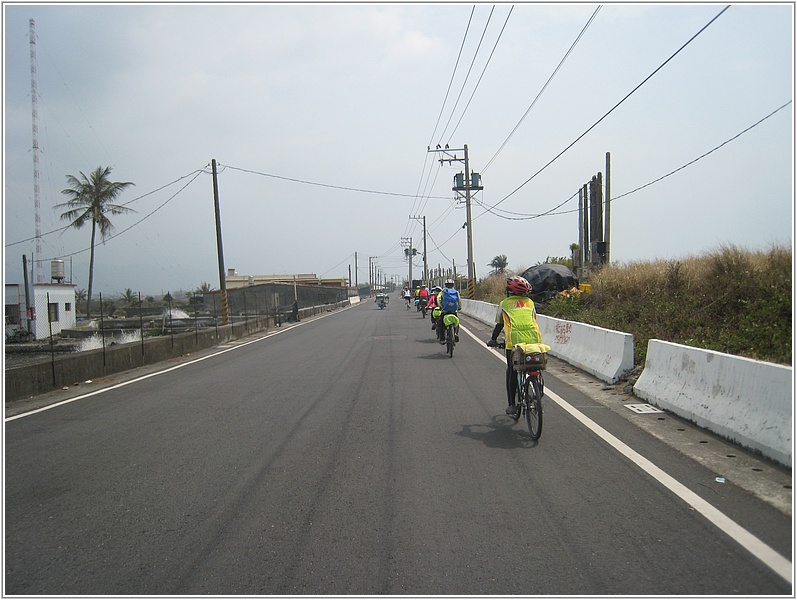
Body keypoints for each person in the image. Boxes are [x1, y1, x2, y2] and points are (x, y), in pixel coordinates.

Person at [486, 275, 543, 415]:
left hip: (514, 344)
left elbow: (499, 325)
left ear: (509, 291)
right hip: (534, 341)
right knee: (535, 366)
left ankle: (512, 404)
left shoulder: (504, 304)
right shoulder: (530, 303)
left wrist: (493, 340)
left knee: (511, 372)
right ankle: (538, 390)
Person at [436, 279, 461, 344]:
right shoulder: (456, 292)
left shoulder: (443, 292)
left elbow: (438, 299)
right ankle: (456, 333)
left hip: (445, 311)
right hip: (453, 311)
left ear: (446, 285)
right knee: (456, 322)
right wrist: (459, 308)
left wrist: (440, 306)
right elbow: (459, 300)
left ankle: (442, 339)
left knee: (441, 324)